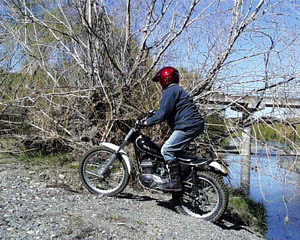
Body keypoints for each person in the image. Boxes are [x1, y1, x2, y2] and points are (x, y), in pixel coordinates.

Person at [143, 66, 204, 192]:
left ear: (165, 78)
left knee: (167, 150)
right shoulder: (176, 90)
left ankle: (175, 183)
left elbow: (163, 113)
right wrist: (153, 115)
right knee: (174, 152)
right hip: (193, 124)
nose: (160, 83)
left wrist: (147, 122)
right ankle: (177, 186)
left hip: (188, 126)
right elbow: (167, 110)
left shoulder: (170, 91)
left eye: (160, 80)